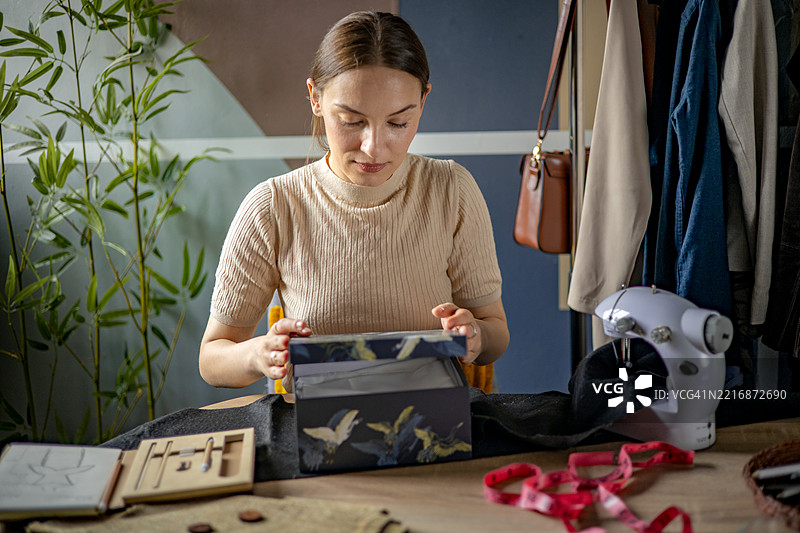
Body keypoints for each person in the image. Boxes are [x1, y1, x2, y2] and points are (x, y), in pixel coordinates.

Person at [199, 11, 509, 390]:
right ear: (315, 98)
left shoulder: (451, 190)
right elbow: (212, 359)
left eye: (398, 123)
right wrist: (257, 354)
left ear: (423, 101)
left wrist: (476, 335)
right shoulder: (273, 207)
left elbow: (496, 334)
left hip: (434, 419)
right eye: (351, 120)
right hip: (317, 420)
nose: (373, 147)